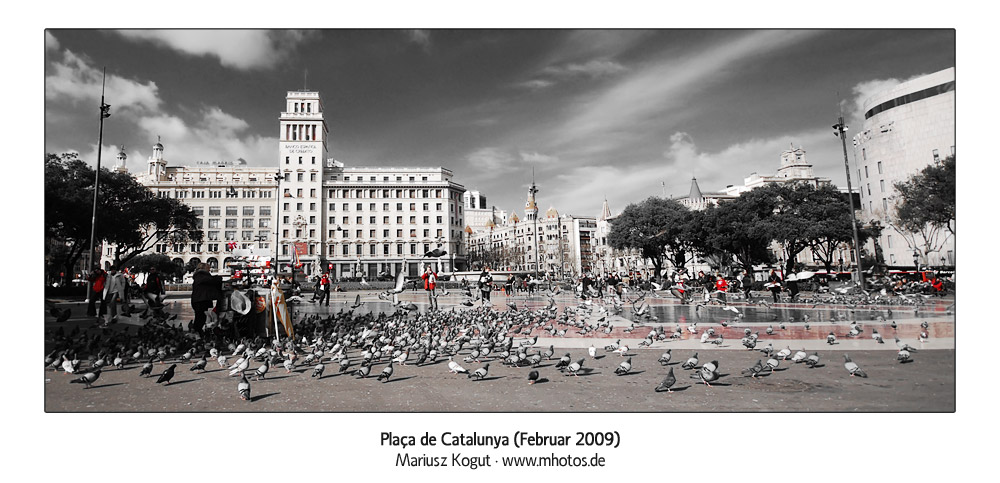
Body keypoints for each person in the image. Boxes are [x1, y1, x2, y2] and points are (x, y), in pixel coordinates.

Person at [191, 263, 222, 333]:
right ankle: (196, 332)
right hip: (200, 300)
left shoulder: (199, 276)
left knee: (201, 317)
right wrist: (219, 278)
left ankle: (197, 331)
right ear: (204, 268)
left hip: (200, 300)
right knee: (200, 317)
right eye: (208, 268)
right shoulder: (200, 275)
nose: (209, 270)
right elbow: (210, 280)